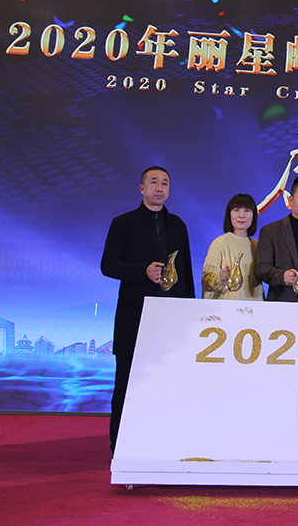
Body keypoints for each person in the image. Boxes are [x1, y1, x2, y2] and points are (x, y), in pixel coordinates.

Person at [101, 166, 195, 452]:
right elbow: (108, 265)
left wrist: (188, 316)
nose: (160, 187)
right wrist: (142, 271)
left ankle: (161, 442)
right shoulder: (123, 223)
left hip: (169, 319)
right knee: (127, 382)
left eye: (165, 183)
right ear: (142, 188)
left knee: (166, 383)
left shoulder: (177, 225)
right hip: (134, 315)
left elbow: (186, 273)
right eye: (154, 182)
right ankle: (120, 444)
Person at [201, 193, 263, 301]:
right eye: (237, 210)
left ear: (253, 216)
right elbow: (206, 281)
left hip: (254, 307)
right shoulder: (220, 243)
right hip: (226, 307)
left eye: (247, 211)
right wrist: (219, 278)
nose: (241, 215)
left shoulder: (257, 245)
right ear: (229, 214)